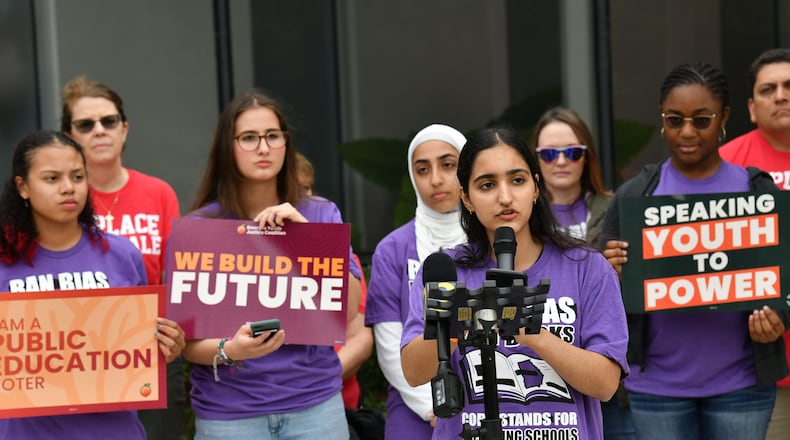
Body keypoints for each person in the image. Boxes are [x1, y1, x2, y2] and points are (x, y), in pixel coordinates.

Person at [401, 126, 629, 439]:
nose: (505, 197)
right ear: (466, 197)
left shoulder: (587, 267)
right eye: (487, 185)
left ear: (536, 188)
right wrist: (457, 323)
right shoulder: (447, 270)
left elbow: (605, 385)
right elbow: (413, 372)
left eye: (517, 180)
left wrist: (535, 334)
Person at [601, 61, 788, 439]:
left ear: (725, 119)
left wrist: (780, 319)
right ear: (662, 120)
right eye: (674, 120)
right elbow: (601, 299)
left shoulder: (758, 193)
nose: (687, 132)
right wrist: (611, 274)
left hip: (743, 384)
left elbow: (785, 278)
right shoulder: (634, 196)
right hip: (656, 387)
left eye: (701, 120)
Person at [182, 89, 363, 440]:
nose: (263, 148)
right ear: (227, 147)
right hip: (230, 414)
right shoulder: (200, 227)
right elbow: (188, 345)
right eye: (249, 138)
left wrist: (308, 241)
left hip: (315, 407)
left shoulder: (320, 213)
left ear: (286, 144)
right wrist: (230, 351)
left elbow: (349, 307)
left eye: (272, 136)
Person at [0, 130, 185, 439]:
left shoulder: (123, 254)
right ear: (23, 187)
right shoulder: (4, 259)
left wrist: (169, 345)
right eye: (51, 179)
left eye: (77, 176)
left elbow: (142, 351)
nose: (68, 188)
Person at [59, 76, 185, 440]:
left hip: (152, 346)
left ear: (124, 129)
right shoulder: (62, 199)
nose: (99, 131)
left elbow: (176, 277)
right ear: (69, 135)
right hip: (78, 352)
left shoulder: (159, 193)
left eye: (109, 121)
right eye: (86, 124)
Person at [530, 107, 635, 439]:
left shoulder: (618, 208)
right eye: (548, 154)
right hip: (539, 377)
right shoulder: (518, 219)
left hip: (610, 376)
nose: (561, 161)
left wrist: (623, 274)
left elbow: (651, 288)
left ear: (587, 157)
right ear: (533, 161)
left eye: (572, 152)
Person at [365, 123, 467, 438]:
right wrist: (432, 406)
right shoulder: (393, 249)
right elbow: (389, 342)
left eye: (448, 165)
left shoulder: (492, 242)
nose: (435, 179)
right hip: (415, 401)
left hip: (487, 393)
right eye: (422, 169)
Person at [719, 47, 790, 440]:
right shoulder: (725, 165)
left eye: (789, 86)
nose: (781, 95)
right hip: (758, 369)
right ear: (751, 106)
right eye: (769, 89)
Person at [295, 152, 382, 439]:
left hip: (334, 406)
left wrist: (317, 380)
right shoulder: (251, 260)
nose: (304, 200)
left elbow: (360, 338)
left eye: (308, 189)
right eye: (294, 191)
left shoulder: (345, 260)